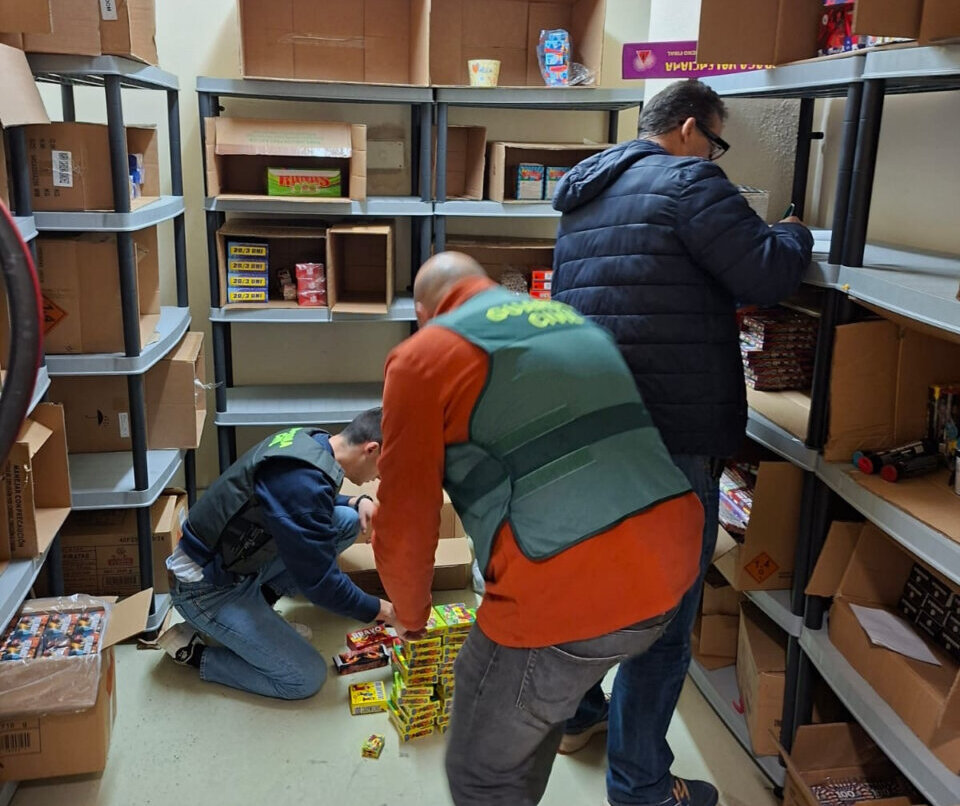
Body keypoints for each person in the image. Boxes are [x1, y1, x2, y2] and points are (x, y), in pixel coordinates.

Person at [552, 79, 814, 806]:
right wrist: (795, 230)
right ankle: (640, 788)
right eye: (717, 143)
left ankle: (576, 715)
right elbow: (766, 271)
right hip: (662, 435)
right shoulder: (688, 180)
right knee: (660, 623)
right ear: (692, 128)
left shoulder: (587, 191)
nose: (715, 156)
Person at [371, 252, 705, 806]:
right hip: (672, 568)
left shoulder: (423, 355)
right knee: (540, 700)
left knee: (483, 769)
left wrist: (411, 615)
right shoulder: (574, 322)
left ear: (425, 313)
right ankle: (595, 738)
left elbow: (406, 517)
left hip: (562, 585)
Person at [158, 409, 394, 700]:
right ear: (372, 449)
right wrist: (387, 612)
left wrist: (357, 500)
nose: (380, 477)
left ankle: (260, 609)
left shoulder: (313, 440)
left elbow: (301, 500)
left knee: (346, 520)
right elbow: (322, 585)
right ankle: (195, 654)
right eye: (385, 468)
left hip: (236, 562)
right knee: (305, 678)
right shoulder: (302, 480)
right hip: (206, 590)